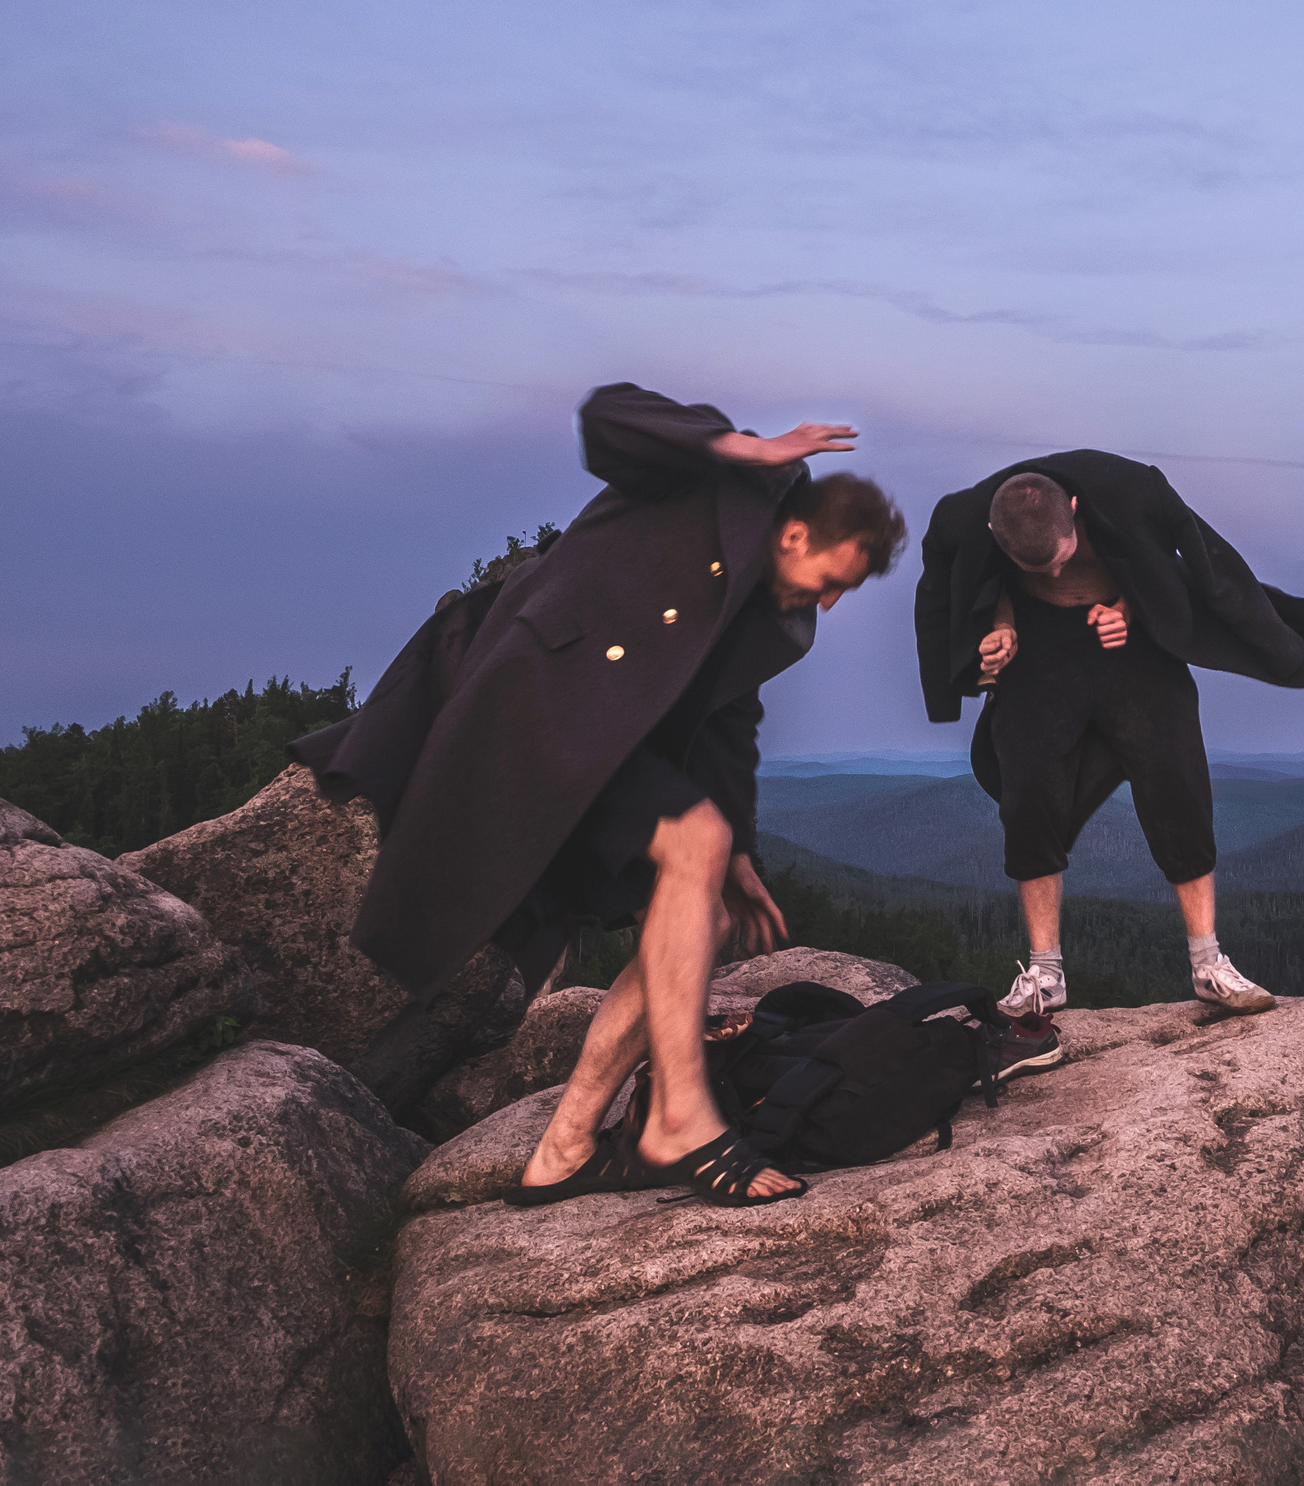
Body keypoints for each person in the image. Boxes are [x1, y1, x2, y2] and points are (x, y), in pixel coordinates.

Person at [293, 383, 908, 1204]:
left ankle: (566, 1142)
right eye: (833, 577)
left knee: (708, 908)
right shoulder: (713, 483)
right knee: (693, 846)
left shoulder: (779, 621)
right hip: (533, 699)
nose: (830, 601)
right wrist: (742, 446)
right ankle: (680, 1116)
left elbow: (727, 727)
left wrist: (745, 853)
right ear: (795, 532)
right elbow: (608, 417)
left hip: (602, 747)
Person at [916, 453, 1304, 1034]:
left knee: (1177, 782)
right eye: (1034, 565)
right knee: (1029, 795)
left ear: (1075, 511)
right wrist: (996, 632)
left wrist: (1131, 610)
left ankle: (1208, 963)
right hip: (1039, 657)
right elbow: (970, 586)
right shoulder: (963, 519)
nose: (1051, 574)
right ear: (996, 534)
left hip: (1135, 652)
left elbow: (1183, 565)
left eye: (1061, 558)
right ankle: (1045, 974)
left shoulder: (1131, 489)